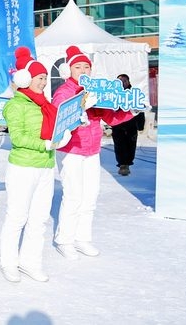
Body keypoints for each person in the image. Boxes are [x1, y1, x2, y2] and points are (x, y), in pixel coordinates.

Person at [51, 46, 133, 260]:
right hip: (71, 150)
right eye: (78, 67)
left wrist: (130, 109)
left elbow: (110, 117)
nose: (83, 70)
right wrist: (80, 107)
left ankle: (82, 238)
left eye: (86, 67)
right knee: (74, 195)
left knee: (90, 196)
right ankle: (65, 240)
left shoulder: (96, 90)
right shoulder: (64, 91)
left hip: (92, 150)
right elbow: (59, 119)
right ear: (69, 70)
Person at [0, 47, 70, 283]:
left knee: (39, 219)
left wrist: (68, 129)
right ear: (25, 79)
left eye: (45, 78)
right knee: (17, 217)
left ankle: (30, 262)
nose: (44, 82)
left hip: (45, 167)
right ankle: (9, 262)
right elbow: (18, 138)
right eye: (40, 78)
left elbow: (56, 128)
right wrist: (45, 144)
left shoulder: (45, 104)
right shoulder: (15, 105)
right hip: (23, 167)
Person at [110, 73, 144, 176]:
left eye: (125, 81)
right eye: (120, 81)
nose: (123, 83)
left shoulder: (133, 94)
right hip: (117, 124)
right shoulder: (112, 95)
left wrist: (140, 124)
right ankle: (122, 164)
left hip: (131, 124)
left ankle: (128, 163)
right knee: (119, 144)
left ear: (129, 82)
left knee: (131, 144)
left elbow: (139, 109)